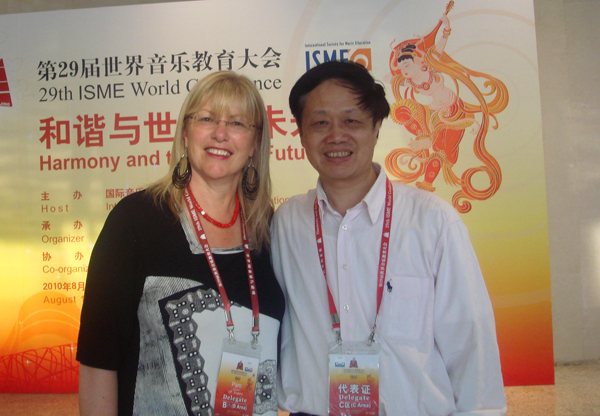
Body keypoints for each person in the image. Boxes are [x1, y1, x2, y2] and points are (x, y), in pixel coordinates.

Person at [271, 60, 506, 415]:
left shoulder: (431, 221)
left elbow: (471, 341)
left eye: (351, 121)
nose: (336, 136)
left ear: (376, 127)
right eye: (320, 123)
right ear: (301, 134)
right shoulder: (286, 225)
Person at [77, 71, 284, 416]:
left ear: (254, 144)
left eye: (237, 123)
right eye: (207, 119)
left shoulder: (269, 231)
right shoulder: (136, 220)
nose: (220, 133)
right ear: (185, 133)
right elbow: (99, 357)